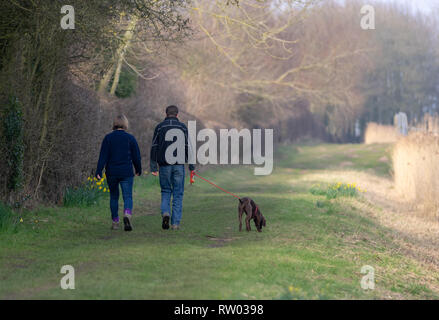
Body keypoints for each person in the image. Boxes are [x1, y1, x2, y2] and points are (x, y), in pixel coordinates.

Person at [150, 105, 195, 230]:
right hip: (179, 166)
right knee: (178, 194)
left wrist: (153, 167)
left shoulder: (159, 127)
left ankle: (165, 212)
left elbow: (154, 147)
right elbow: (188, 147)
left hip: (164, 166)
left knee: (165, 191)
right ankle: (175, 224)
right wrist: (192, 166)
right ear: (177, 115)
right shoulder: (182, 127)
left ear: (166, 114)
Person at [96, 114, 142, 231]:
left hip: (112, 172)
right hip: (126, 172)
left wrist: (99, 171)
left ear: (114, 124)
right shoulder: (130, 138)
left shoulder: (108, 138)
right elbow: (136, 157)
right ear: (125, 124)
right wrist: (138, 169)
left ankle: (115, 221)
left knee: (114, 197)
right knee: (127, 196)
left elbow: (103, 156)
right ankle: (127, 214)